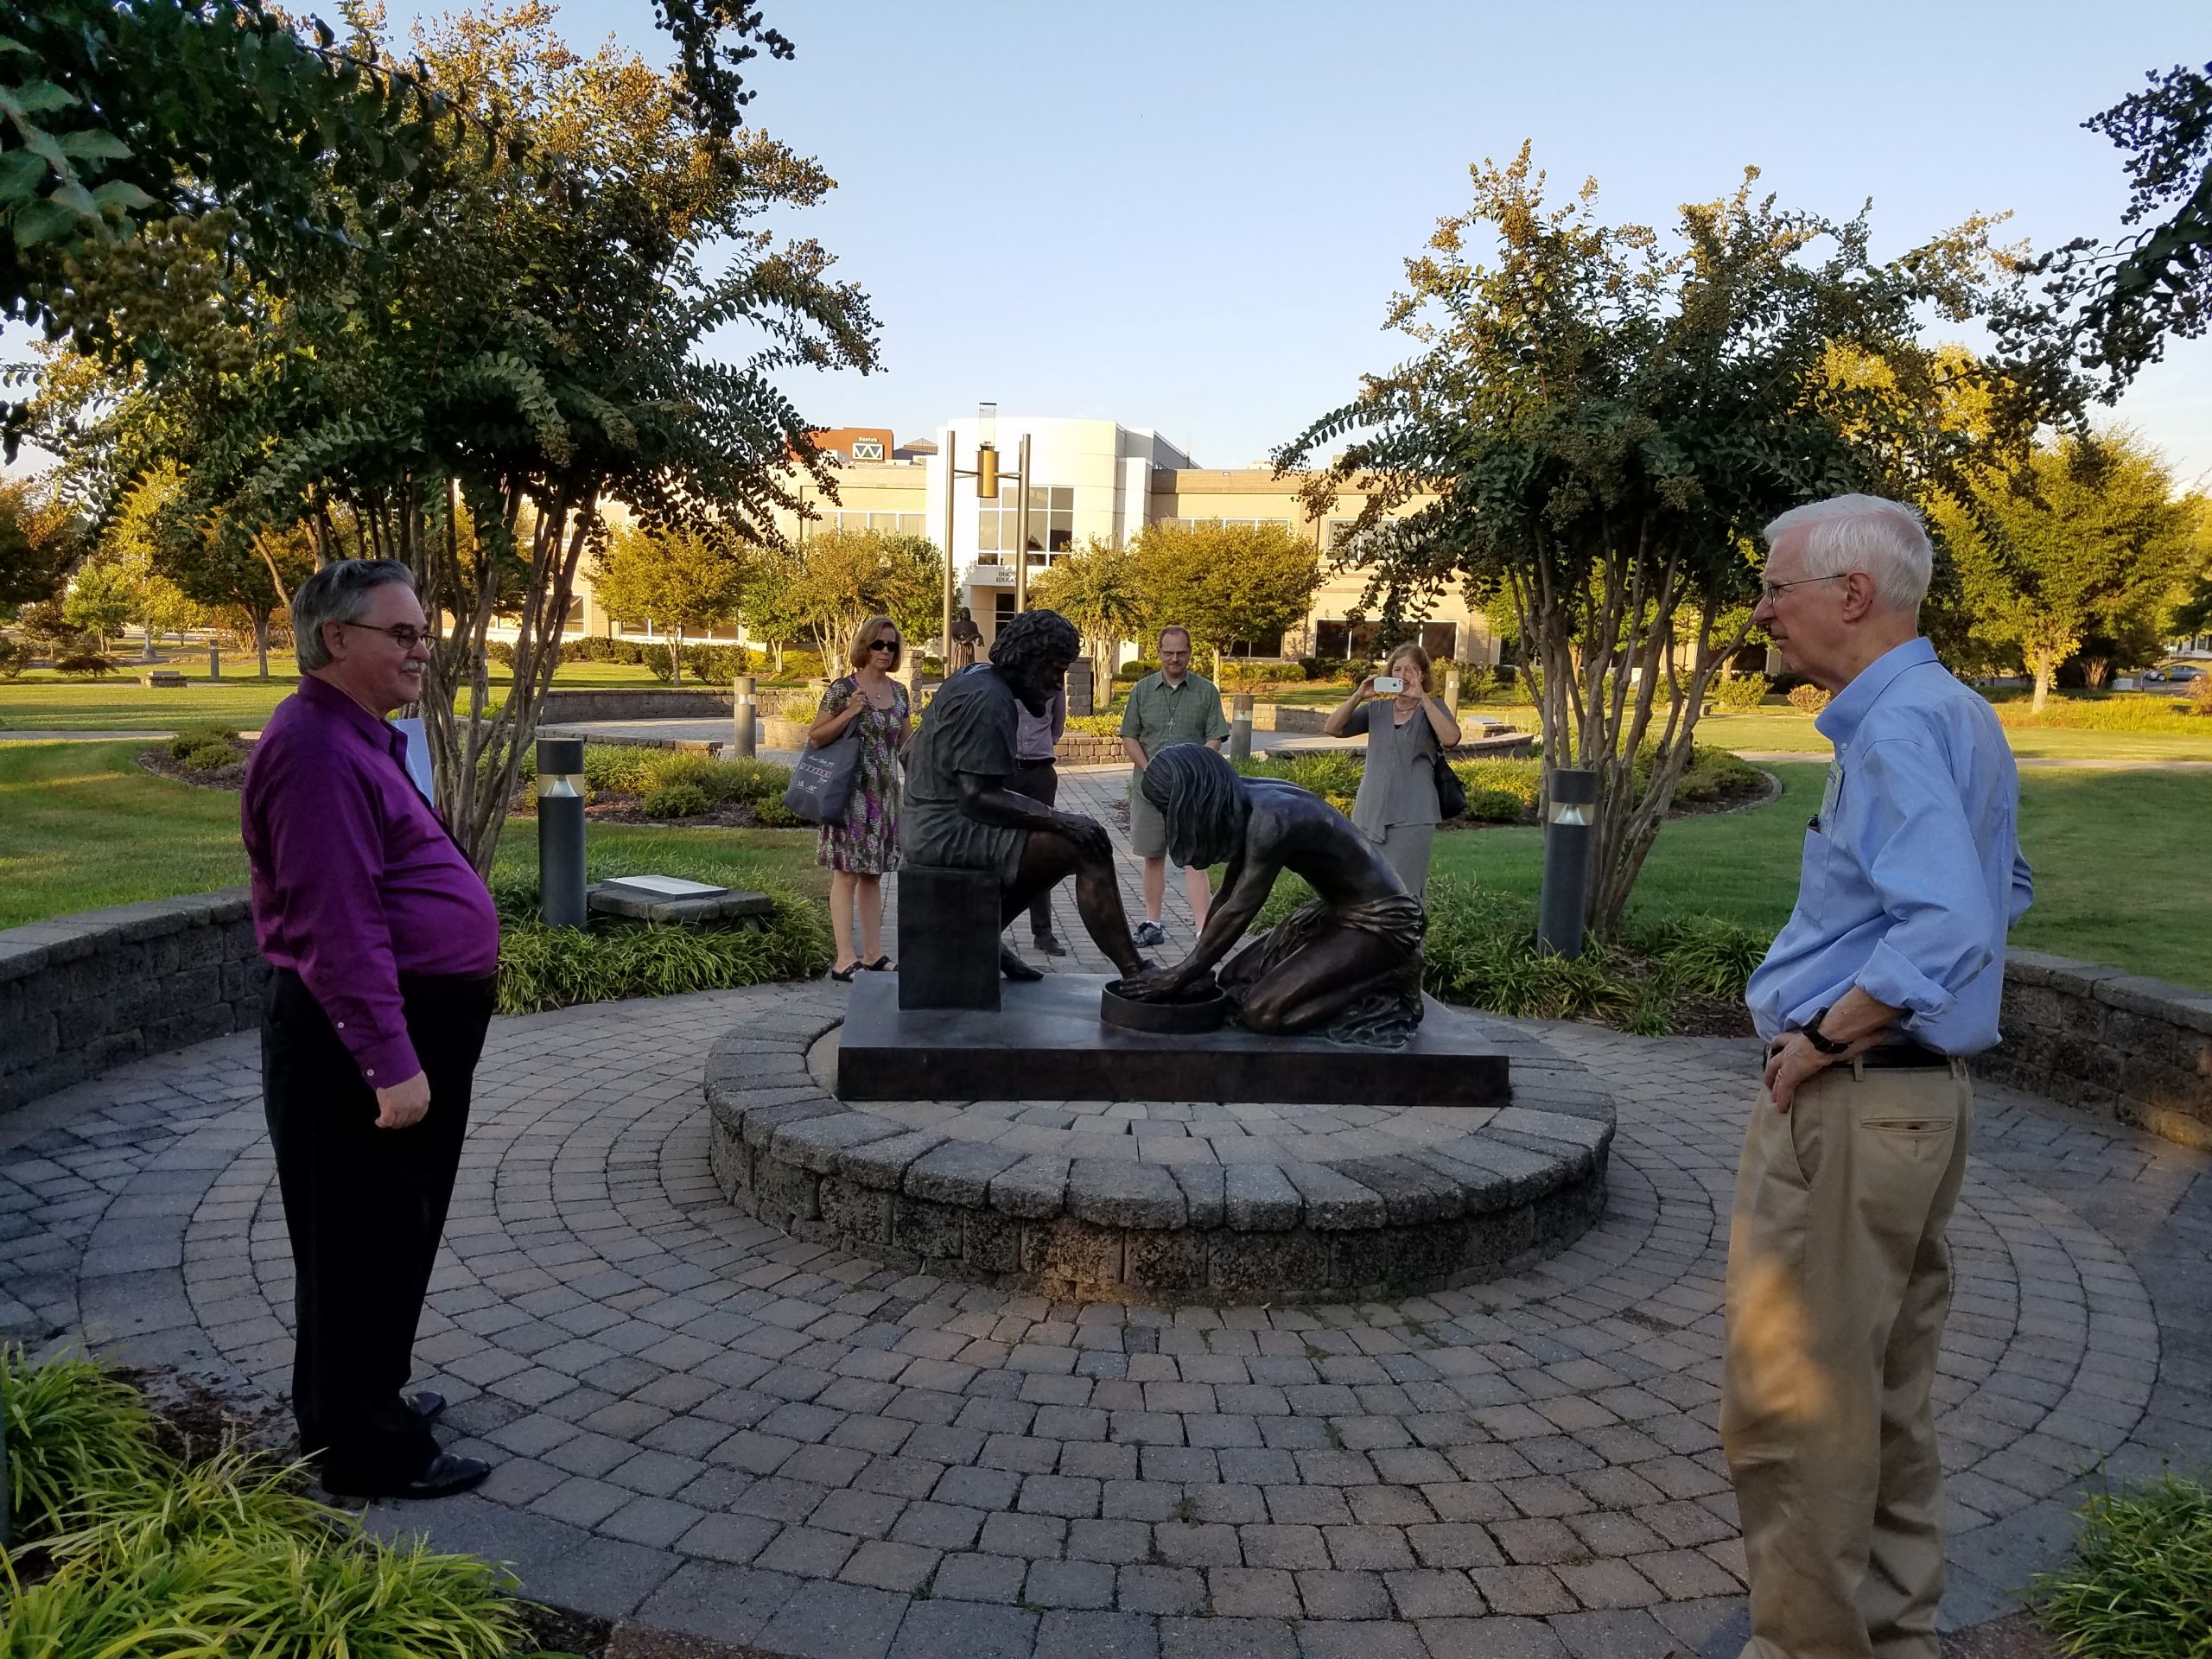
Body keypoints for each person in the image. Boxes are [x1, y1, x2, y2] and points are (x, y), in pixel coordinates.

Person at [1725, 495, 2033, 1659]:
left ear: (1852, 596)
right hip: (1918, 1107)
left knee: (1791, 1409)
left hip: (1854, 1104)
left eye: (1775, 584)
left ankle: (1805, 1650)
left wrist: (1822, 1038)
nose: (1761, 608)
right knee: (1885, 1398)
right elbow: (2005, 892)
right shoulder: (1957, 714)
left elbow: (1950, 917)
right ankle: (1894, 1637)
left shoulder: (1899, 726)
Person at [242, 560, 499, 1500]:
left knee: (393, 1226)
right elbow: (334, 923)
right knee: (359, 1237)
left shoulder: (353, 736)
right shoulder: (313, 750)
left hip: (409, 1020)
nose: (421, 649)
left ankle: (370, 1396)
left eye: (423, 632)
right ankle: (359, 1447)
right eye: (402, 634)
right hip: (360, 1039)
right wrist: (389, 1062)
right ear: (335, 639)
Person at [902, 608, 1151, 982]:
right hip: (943, 831)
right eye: (1056, 670)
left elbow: (907, 753)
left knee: (1058, 844)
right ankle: (1137, 972)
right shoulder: (991, 700)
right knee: (1084, 845)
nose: (1057, 684)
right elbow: (977, 798)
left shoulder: (971, 677)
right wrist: (1063, 820)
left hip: (924, 822)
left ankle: (983, 934)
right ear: (1029, 661)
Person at [1120, 743, 1426, 1043]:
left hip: (1381, 922)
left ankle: (1388, 976)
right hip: (1335, 914)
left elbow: (1241, 908)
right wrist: (1196, 969)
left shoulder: (1273, 820)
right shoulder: (1242, 800)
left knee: (1262, 1013)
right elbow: (1228, 894)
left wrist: (1179, 975)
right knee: (1232, 982)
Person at [810, 616, 912, 981]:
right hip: (848, 795)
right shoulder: (842, 689)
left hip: (884, 796)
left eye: (892, 646)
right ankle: (844, 959)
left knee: (873, 876)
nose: (886, 652)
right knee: (847, 874)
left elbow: (906, 746)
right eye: (878, 645)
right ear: (865, 648)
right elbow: (816, 736)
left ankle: (873, 953)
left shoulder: (899, 693)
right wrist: (852, 711)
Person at [1321, 640, 1461, 896]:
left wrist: (1423, 699)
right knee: (1365, 888)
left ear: (1422, 674)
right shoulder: (1376, 709)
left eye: (1411, 670)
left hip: (1414, 815)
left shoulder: (1434, 707)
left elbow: (1451, 738)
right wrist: (1358, 696)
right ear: (1389, 674)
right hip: (1369, 812)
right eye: (1398, 669)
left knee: (1404, 891)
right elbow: (1333, 728)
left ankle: (1409, 937)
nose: (1403, 675)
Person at [1118, 626, 1230, 946]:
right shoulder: (1141, 690)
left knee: (1195, 859)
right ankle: (1153, 924)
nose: (1175, 658)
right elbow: (1129, 735)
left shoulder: (1207, 691)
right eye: (1169, 652)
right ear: (1159, 652)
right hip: (1149, 790)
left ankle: (1202, 929)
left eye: (1181, 652)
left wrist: (1195, 769)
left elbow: (1215, 736)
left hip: (1192, 795)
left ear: (1189, 653)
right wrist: (1149, 768)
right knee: (1153, 856)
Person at [1006, 675, 1070, 956]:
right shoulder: (1005, 679)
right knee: (998, 848)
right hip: (1006, 772)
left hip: (1041, 772)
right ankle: (986, 927)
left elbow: (1057, 726)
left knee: (1040, 853)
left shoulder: (1054, 683)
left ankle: (1043, 932)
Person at [949, 605, 983, 671]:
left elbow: (976, 634)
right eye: (963, 612)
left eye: (966, 612)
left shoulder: (973, 624)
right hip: (960, 647)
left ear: (969, 614)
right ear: (961, 614)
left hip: (969, 647)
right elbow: (953, 635)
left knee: (969, 664)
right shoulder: (956, 625)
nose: (965, 614)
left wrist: (975, 637)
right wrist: (959, 638)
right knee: (959, 664)